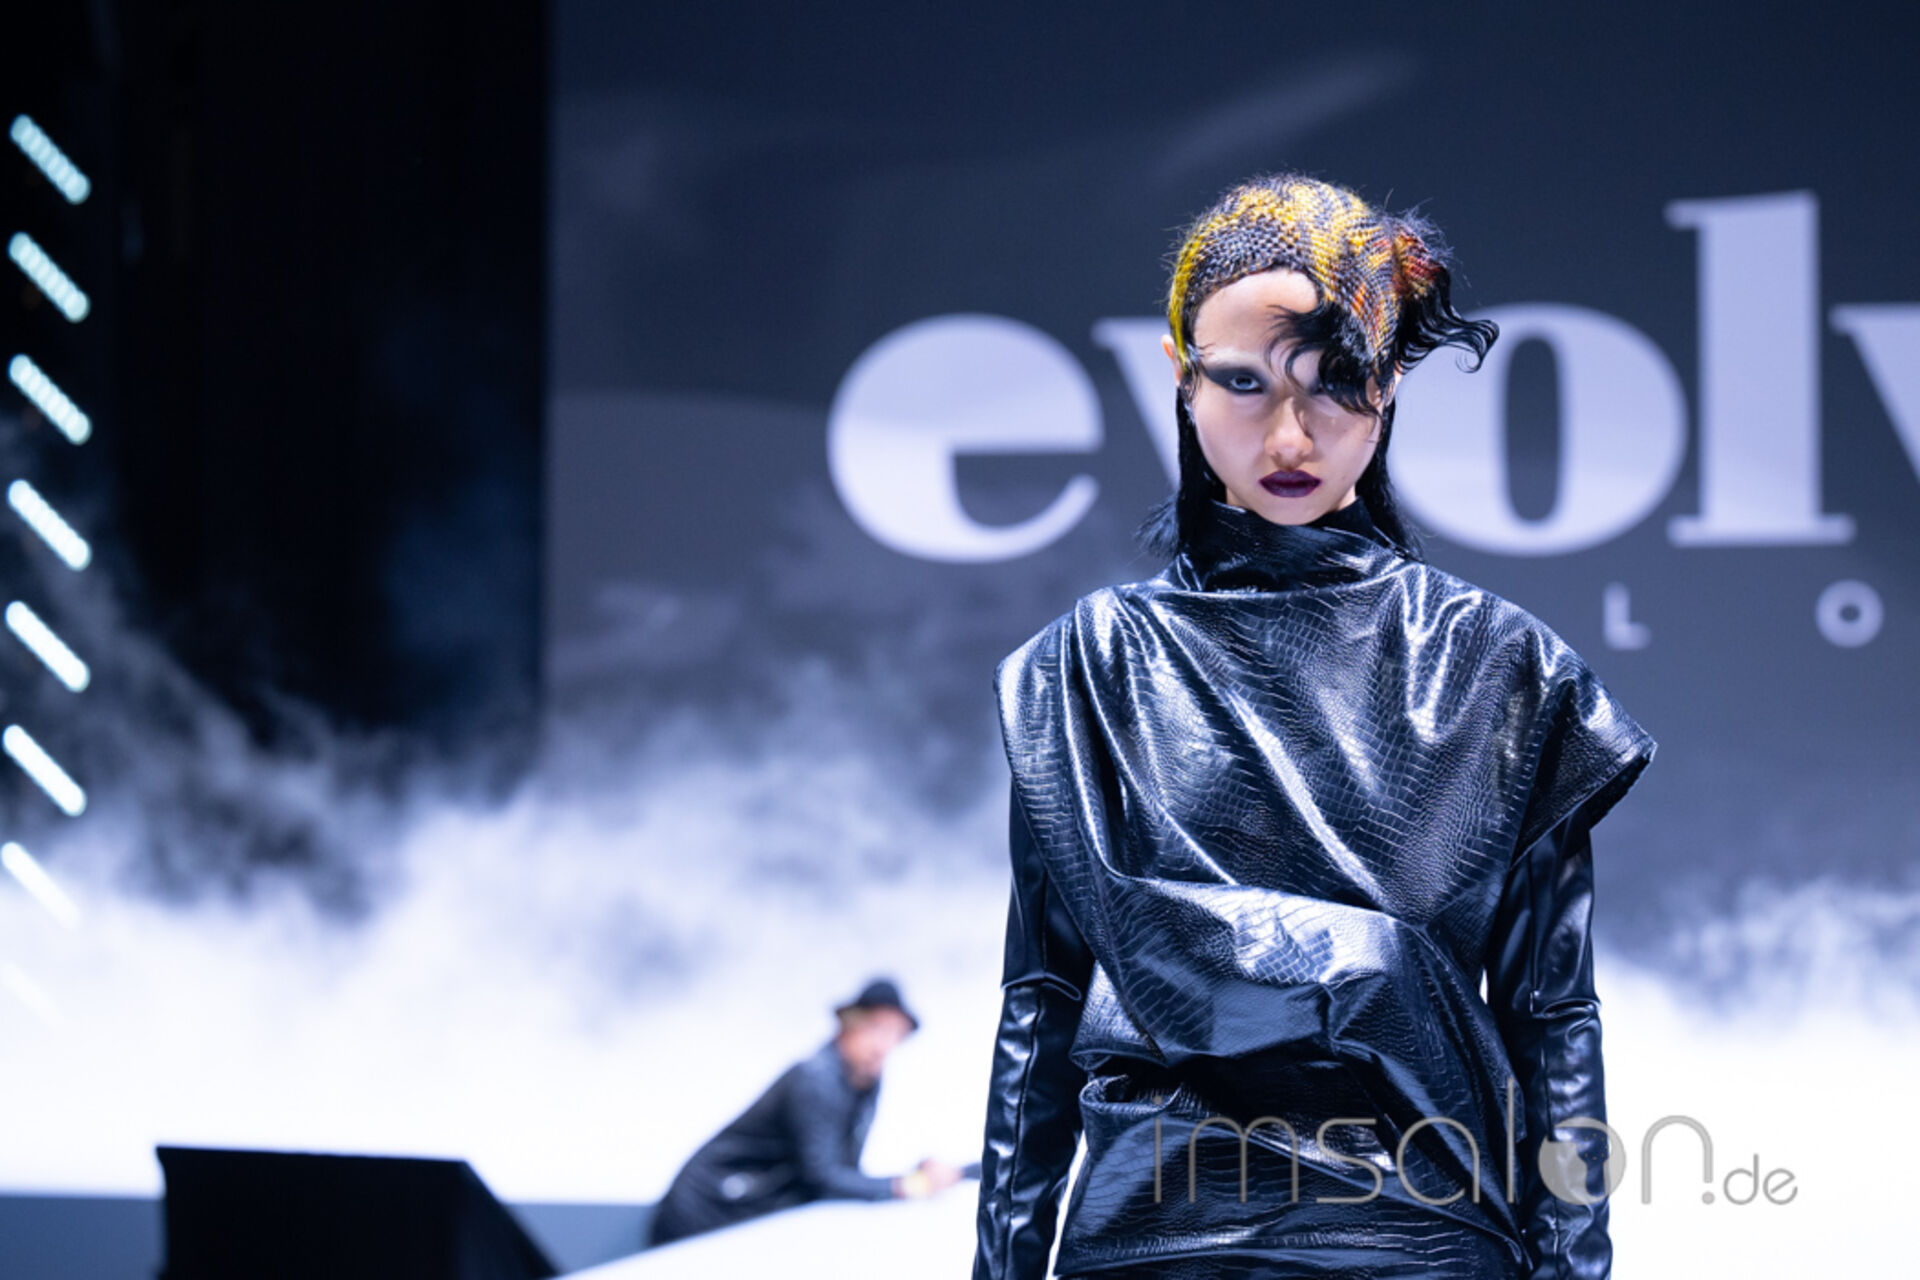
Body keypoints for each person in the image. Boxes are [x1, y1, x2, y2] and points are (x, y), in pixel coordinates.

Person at [972, 171, 1656, 1279]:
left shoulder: (1504, 668)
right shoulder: (1085, 668)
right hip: (1153, 1240)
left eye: (1335, 382)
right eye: (1243, 382)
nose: (1289, 434)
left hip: (1419, 1243)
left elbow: (1553, 1023)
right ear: (1180, 376)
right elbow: (1040, 1012)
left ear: (1389, 384)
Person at [645, 976, 969, 1248]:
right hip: (708, 1213)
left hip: (746, 1216)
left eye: (895, 1033)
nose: (883, 1044)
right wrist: (913, 1184)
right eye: (875, 1027)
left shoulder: (863, 1082)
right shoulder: (817, 1080)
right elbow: (823, 1180)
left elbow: (842, 1172)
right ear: (849, 1025)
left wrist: (919, 1176)